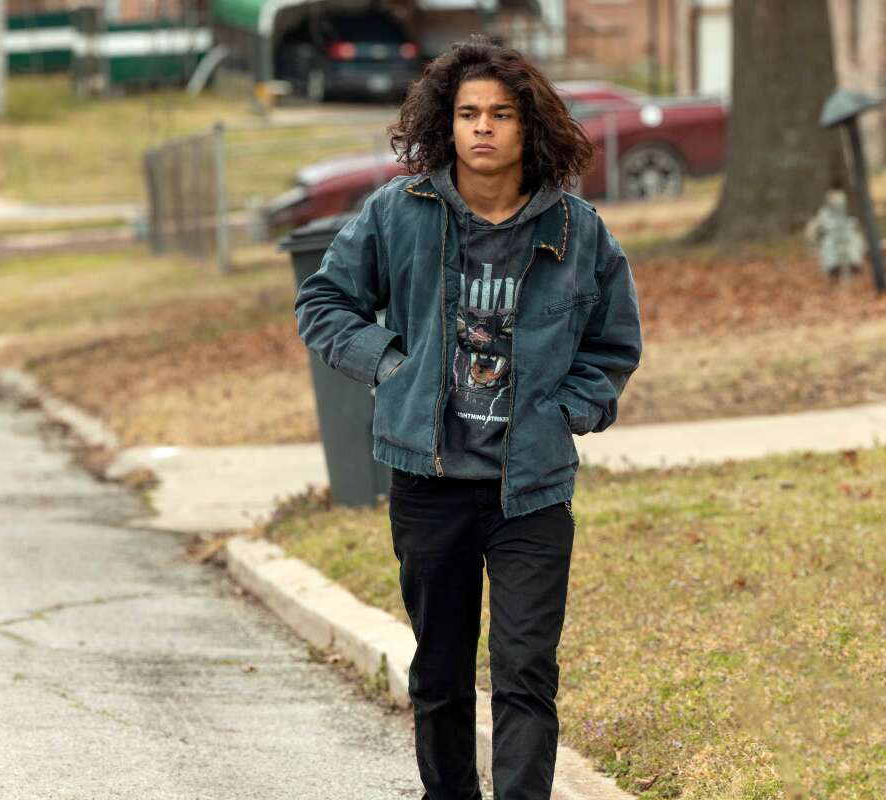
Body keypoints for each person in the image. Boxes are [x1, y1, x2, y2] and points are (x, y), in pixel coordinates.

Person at [294, 37, 643, 800]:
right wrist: (392, 366)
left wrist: (567, 412)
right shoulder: (398, 212)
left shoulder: (578, 232)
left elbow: (614, 343)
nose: (483, 127)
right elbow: (322, 302)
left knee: (525, 671)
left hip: (531, 488)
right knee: (442, 672)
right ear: (445, 125)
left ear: (529, 128)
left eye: (501, 114)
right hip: (431, 480)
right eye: (467, 113)